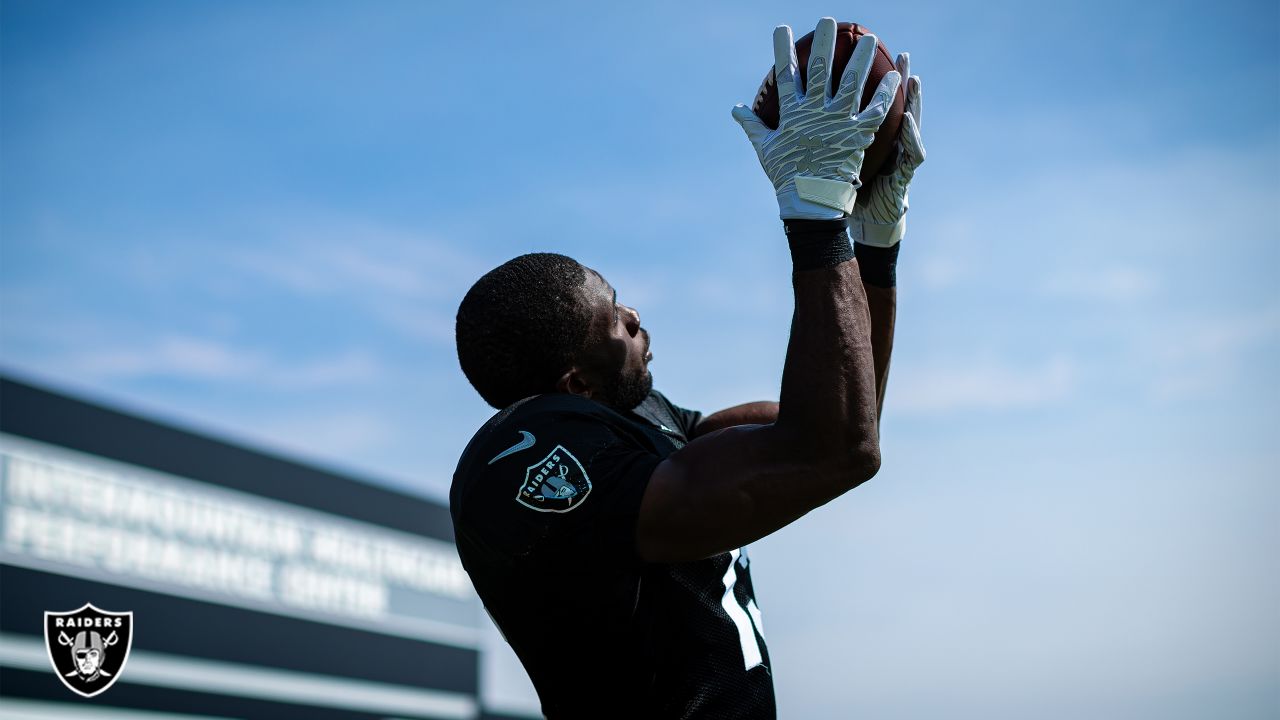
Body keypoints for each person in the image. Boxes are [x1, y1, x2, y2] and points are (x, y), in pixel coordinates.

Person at [450, 18, 925, 718]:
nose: (635, 316)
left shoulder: (641, 420)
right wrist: (817, 221)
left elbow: (848, 422)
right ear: (574, 382)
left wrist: (871, 244)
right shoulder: (520, 461)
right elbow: (835, 450)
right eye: (612, 315)